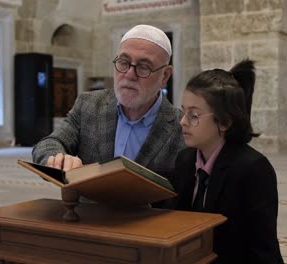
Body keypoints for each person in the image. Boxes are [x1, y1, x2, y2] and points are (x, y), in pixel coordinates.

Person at [32, 24, 185, 179]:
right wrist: (59, 160)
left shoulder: (181, 127)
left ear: (165, 76)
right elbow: (48, 144)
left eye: (144, 67)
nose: (129, 75)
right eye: (123, 62)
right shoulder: (89, 105)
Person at [169, 60, 284, 263]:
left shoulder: (253, 169)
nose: (183, 121)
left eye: (194, 115)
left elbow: (262, 248)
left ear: (225, 121)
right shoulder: (185, 160)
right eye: (183, 111)